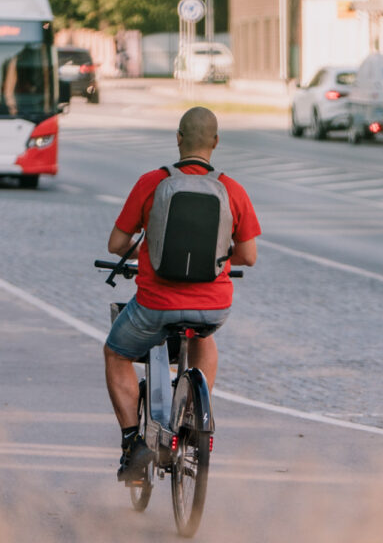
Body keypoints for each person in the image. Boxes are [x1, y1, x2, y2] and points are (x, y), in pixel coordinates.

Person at [104, 106, 261, 481]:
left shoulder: (152, 184)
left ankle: (132, 444)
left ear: (178, 138)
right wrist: (219, 256)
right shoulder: (232, 190)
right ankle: (195, 414)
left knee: (115, 352)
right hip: (213, 306)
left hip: (156, 304)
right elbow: (249, 256)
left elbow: (116, 244)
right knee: (203, 336)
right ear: (216, 143)